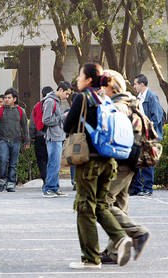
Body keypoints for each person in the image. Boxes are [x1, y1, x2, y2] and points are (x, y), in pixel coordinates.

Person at [64, 63, 132, 269]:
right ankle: (120, 237)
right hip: (108, 160)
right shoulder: (105, 98)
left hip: (89, 160)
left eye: (80, 76)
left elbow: (67, 126)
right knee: (101, 205)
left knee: (85, 207)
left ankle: (91, 259)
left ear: (89, 80)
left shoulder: (82, 97)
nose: (77, 79)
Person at [98, 69, 150, 265]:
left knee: (102, 202)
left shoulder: (118, 107)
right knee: (120, 204)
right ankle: (113, 251)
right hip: (134, 160)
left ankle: (138, 232)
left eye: (103, 85)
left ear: (110, 87)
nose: (101, 89)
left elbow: (109, 137)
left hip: (120, 162)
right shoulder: (133, 102)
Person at [130, 74, 164, 196]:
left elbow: (157, 117)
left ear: (142, 84)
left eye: (135, 84)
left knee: (148, 161)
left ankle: (148, 188)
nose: (134, 86)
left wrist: (148, 128)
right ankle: (138, 188)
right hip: (140, 135)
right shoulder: (138, 98)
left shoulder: (152, 97)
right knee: (138, 160)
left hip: (149, 135)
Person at [0, 88, 30, 192]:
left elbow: (25, 127)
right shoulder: (0, 111)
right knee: (3, 160)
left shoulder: (20, 111)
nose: (6, 100)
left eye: (9, 98)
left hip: (16, 140)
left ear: (14, 99)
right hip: (3, 140)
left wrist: (27, 141)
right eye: (5, 98)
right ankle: (2, 180)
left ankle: (11, 183)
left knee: (13, 163)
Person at [42, 83, 71, 197]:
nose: (67, 96)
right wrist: (63, 117)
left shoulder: (56, 100)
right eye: (66, 93)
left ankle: (54, 187)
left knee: (56, 164)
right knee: (53, 164)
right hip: (53, 137)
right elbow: (46, 120)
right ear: (60, 90)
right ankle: (49, 188)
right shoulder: (50, 101)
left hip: (58, 136)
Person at [29, 87, 53, 188]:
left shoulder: (37, 106)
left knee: (41, 160)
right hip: (52, 136)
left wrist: (32, 135)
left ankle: (45, 179)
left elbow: (32, 122)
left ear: (42, 95)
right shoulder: (54, 104)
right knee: (51, 159)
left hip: (39, 136)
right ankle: (51, 180)